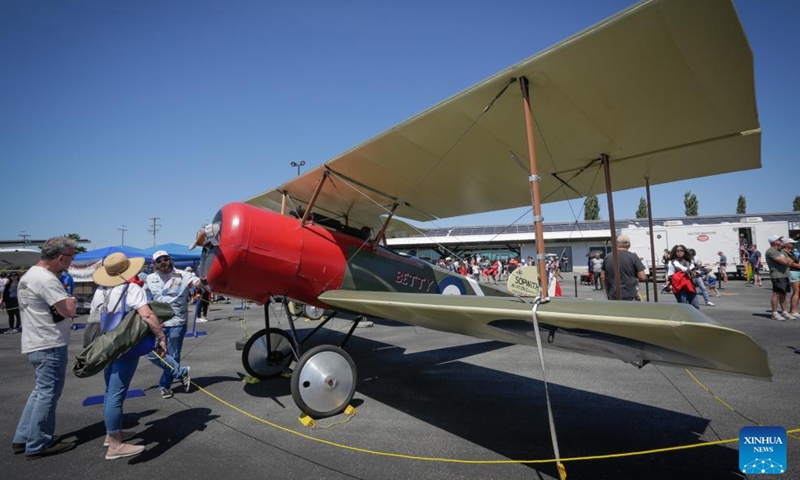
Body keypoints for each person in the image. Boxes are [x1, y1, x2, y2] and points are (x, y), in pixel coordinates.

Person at [90, 253, 168, 460]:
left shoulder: (101, 290)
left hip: (105, 345)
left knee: (109, 390)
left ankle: (111, 433)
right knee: (117, 392)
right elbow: (147, 315)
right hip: (125, 345)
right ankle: (115, 445)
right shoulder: (132, 288)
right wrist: (161, 336)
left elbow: (94, 318)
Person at [12, 237, 77, 459]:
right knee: (48, 394)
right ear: (61, 257)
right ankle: (38, 442)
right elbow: (68, 310)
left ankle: (24, 437)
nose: (71, 260)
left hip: (35, 341)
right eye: (71, 256)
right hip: (50, 342)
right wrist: (71, 300)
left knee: (40, 391)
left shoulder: (29, 275)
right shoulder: (47, 280)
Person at [145, 251, 194, 399]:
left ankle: (164, 386)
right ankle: (181, 372)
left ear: (170, 260)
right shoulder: (150, 278)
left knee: (173, 355)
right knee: (151, 353)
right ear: (155, 264)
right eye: (159, 261)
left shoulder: (182, 275)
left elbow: (196, 281)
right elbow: (145, 298)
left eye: (165, 259)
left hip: (176, 321)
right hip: (157, 322)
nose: (163, 262)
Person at [764, 235, 800, 321]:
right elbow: (783, 261)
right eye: (779, 239)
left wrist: (787, 261)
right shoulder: (771, 251)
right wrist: (786, 261)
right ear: (774, 242)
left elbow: (791, 261)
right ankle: (774, 313)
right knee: (776, 293)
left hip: (785, 274)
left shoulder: (780, 251)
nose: (781, 240)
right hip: (777, 275)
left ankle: (784, 312)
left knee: (784, 294)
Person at [600, 235, 646, 301]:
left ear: (616, 245)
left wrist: (607, 290)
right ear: (629, 245)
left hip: (613, 293)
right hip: (629, 293)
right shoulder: (633, 257)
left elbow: (602, 277)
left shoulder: (607, 257)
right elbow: (642, 277)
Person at [667, 244, 700, 310]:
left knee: (695, 306)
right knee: (683, 306)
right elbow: (670, 275)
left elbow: (698, 271)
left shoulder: (690, 261)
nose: (679, 252)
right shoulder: (672, 263)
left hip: (691, 286)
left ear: (684, 251)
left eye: (681, 250)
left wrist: (695, 273)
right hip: (680, 287)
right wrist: (680, 275)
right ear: (675, 252)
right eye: (677, 251)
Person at [782, 237, 800, 320]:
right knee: (796, 291)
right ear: (786, 244)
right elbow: (790, 264)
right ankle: (793, 311)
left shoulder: (792, 252)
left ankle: (794, 310)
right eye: (791, 243)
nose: (793, 244)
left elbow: (797, 261)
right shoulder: (784, 252)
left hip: (797, 271)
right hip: (792, 272)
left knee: (798, 292)